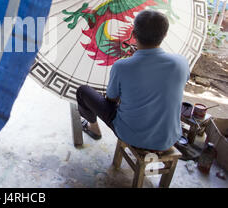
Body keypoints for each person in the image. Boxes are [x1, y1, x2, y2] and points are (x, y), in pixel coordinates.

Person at [76, 10, 190, 151]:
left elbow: (111, 100)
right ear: (165, 35)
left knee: (83, 91)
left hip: (131, 135)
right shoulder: (181, 62)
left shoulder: (122, 66)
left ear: (134, 35)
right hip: (169, 137)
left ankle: (93, 128)